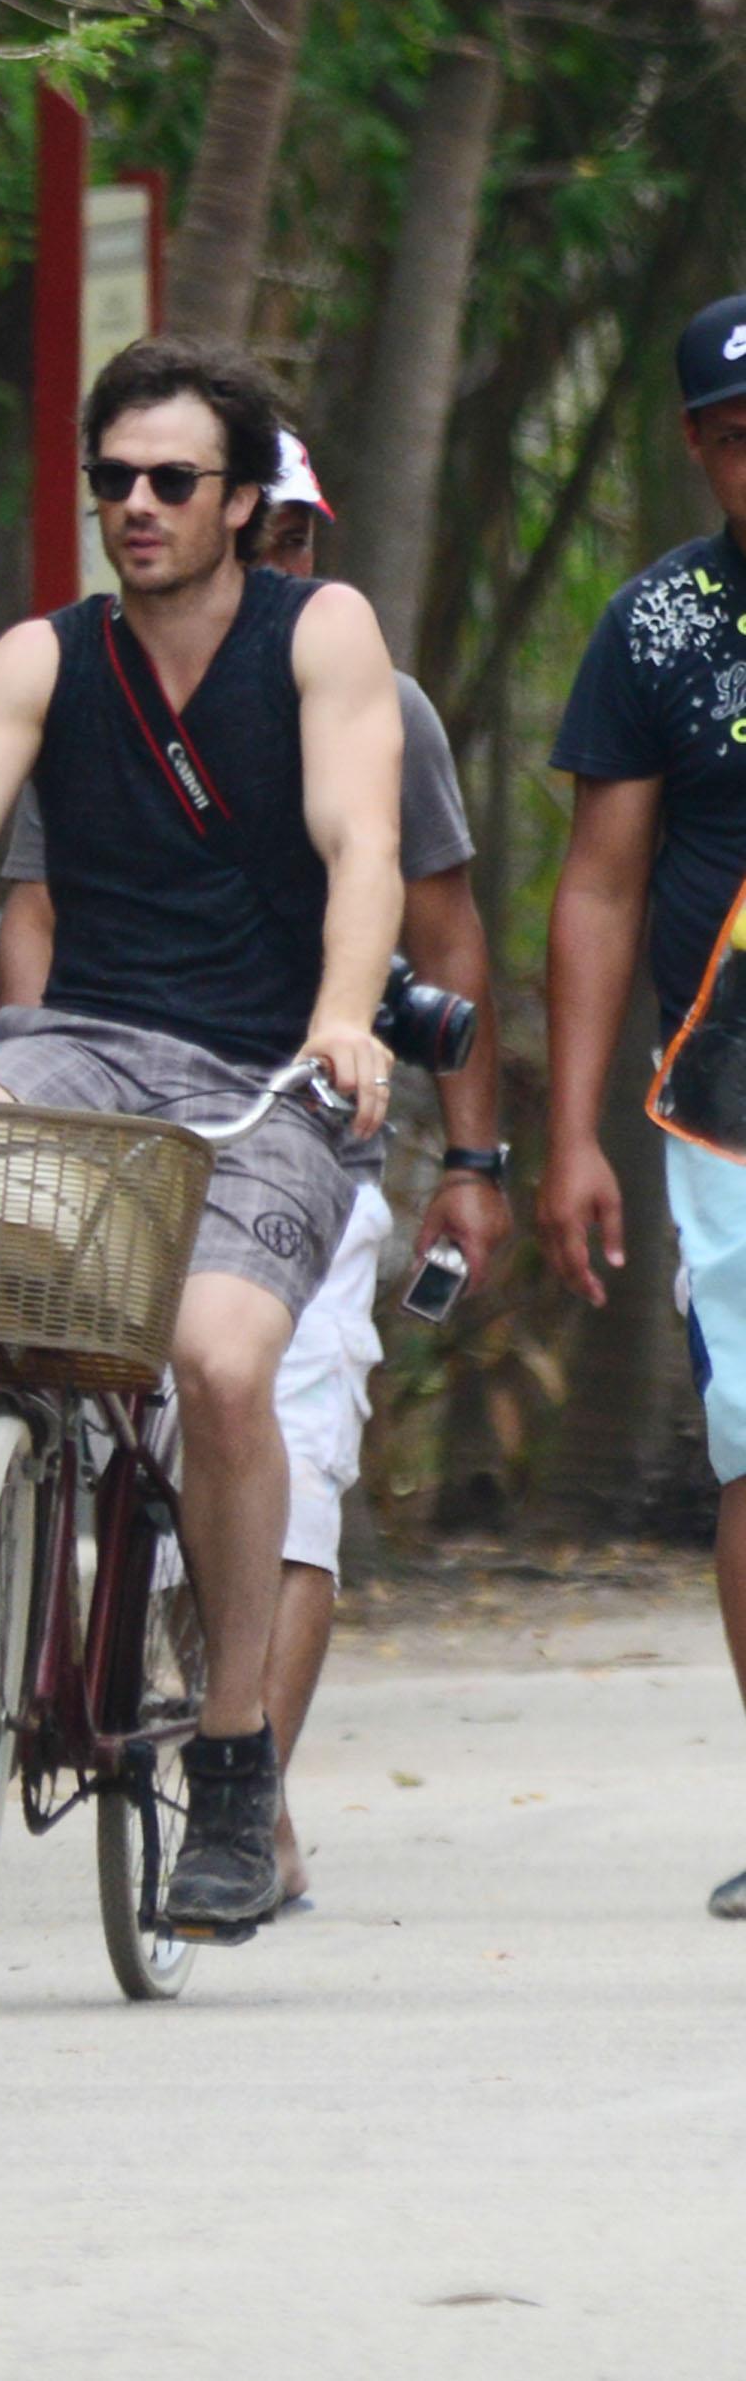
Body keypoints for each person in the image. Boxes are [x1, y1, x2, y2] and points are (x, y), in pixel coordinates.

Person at [0, 334, 402, 1937]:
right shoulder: (45, 657)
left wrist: (346, 1014)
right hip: (91, 1042)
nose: (136, 504)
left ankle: (238, 1757)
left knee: (219, 1365)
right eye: (111, 477)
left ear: (240, 497)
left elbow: (362, 836)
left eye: (171, 480)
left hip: (271, 1067)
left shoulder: (319, 630)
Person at [0, 429, 511, 1903]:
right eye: (128, 488)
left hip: (306, 1122)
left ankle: (246, 1790)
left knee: (268, 1434)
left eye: (290, 538)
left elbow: (439, 929)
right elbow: (30, 907)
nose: (271, 569)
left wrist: (472, 1153)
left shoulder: (374, 702)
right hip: (115, 1096)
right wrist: (31, 1073)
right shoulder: (91, 684)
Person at [540, 291, 746, 1918]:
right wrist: (572, 1134)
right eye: (744, 438)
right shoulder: (660, 626)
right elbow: (601, 887)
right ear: (698, 447)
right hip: (726, 1103)